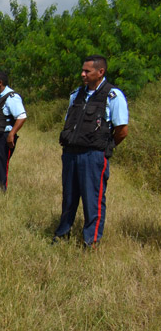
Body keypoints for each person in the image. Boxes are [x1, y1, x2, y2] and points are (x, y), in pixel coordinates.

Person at [54, 55, 128, 247]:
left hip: (93, 156)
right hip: (71, 153)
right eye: (83, 70)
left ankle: (90, 241)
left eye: (87, 71)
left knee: (92, 199)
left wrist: (105, 148)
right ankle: (62, 235)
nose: (83, 74)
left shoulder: (113, 96)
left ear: (100, 72)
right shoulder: (76, 95)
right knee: (69, 197)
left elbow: (122, 130)